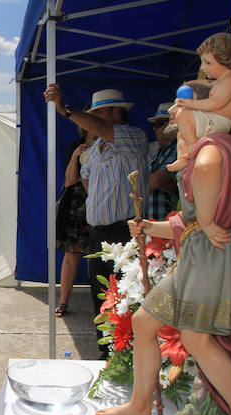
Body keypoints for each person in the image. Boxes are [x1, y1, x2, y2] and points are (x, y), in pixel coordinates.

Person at [95, 132, 231, 415]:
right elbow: (188, 224)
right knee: (144, 322)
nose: (173, 115)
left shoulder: (211, 155)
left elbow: (207, 224)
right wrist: (149, 227)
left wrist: (191, 224)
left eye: (180, 108)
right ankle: (140, 405)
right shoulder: (197, 150)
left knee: (195, 338)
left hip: (211, 258)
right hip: (195, 255)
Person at [44, 85, 150, 356]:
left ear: (117, 113)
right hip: (98, 232)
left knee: (127, 297)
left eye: (100, 115)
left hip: (125, 231)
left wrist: (66, 111)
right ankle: (107, 351)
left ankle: (128, 354)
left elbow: (101, 131)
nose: (95, 122)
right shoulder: (94, 150)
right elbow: (86, 183)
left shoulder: (134, 138)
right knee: (103, 298)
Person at [168, 32, 231, 171]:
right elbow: (210, 83)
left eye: (208, 63)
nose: (203, 67)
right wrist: (195, 83)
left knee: (182, 115)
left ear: (225, 59)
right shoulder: (223, 80)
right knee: (182, 133)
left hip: (218, 122)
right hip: (211, 120)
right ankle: (182, 158)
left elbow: (216, 103)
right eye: (202, 62)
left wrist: (190, 104)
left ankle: (193, 145)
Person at [55, 110, 93, 317]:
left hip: (99, 206)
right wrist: (77, 155)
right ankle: (63, 302)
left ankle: (101, 303)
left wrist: (82, 178)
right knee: (71, 254)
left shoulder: (109, 144)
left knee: (95, 257)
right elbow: (70, 180)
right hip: (76, 207)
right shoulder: (76, 146)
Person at [145, 102, 179, 220]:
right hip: (156, 223)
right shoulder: (160, 151)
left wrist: (137, 183)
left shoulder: (179, 149)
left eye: (159, 124)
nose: (154, 128)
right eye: (154, 124)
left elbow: (158, 181)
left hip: (170, 224)